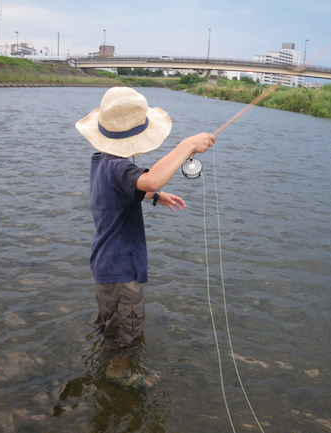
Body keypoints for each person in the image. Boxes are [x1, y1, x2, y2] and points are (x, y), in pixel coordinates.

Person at [75, 87, 215, 389]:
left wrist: (155, 196)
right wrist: (187, 145)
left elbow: (131, 187)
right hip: (121, 269)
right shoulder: (121, 166)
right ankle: (119, 371)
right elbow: (147, 178)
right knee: (129, 326)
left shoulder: (102, 161)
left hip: (105, 265)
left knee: (112, 320)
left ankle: (109, 351)